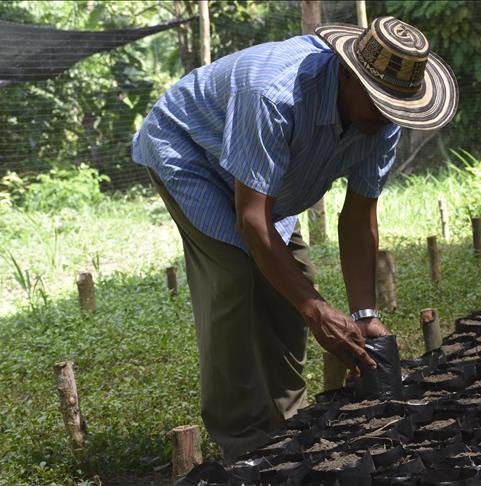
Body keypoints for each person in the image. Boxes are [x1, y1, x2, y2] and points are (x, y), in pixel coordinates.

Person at [131, 16, 458, 460]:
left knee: (293, 282)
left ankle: (286, 424)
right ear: (347, 75)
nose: (386, 119)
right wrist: (316, 307)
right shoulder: (274, 93)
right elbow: (250, 220)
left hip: (269, 184)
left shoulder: (384, 119)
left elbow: (359, 217)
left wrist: (363, 313)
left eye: (394, 109)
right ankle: (243, 440)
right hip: (191, 151)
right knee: (235, 278)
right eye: (379, 105)